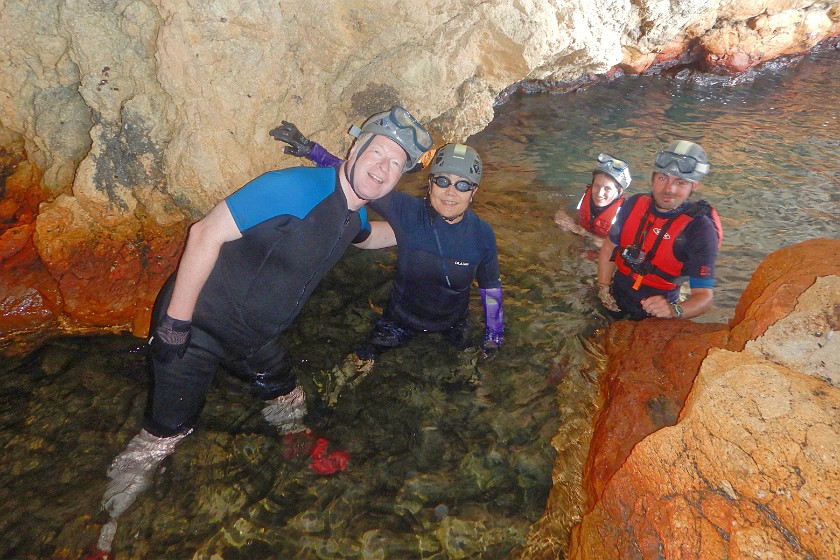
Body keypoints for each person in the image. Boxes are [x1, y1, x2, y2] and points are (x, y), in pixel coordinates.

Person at [95, 107, 433, 554]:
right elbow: (204, 234)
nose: (382, 167)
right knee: (165, 435)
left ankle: (295, 441)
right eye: (378, 153)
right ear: (355, 148)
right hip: (197, 329)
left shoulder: (356, 214)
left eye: (395, 163)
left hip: (256, 338)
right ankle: (106, 528)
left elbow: (366, 238)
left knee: (289, 397)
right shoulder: (290, 187)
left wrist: (425, 231)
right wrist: (175, 324)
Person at [272, 122, 504, 398]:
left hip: (453, 323)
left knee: (469, 385)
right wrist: (312, 150)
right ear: (430, 184)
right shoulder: (407, 212)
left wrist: (493, 337)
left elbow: (491, 288)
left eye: (462, 184)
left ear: (473, 192)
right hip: (399, 321)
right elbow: (362, 178)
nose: (451, 192)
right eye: (443, 180)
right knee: (342, 380)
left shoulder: (482, 235)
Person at [596, 140, 722, 321]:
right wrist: (603, 288)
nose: (669, 189)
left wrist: (674, 310)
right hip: (614, 295)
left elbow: (704, 297)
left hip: (656, 312)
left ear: (693, 186)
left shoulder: (699, 230)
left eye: (680, 182)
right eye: (663, 178)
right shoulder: (634, 204)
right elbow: (609, 247)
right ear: (653, 178)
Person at [554, 153, 631, 246]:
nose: (599, 193)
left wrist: (579, 230)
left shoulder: (627, 215)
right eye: (596, 186)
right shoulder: (584, 196)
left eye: (607, 188)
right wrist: (562, 217)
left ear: (619, 192)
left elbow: (617, 248)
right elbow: (562, 212)